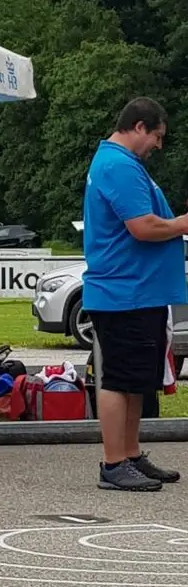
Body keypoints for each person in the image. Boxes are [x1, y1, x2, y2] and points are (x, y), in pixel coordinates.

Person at [83, 96, 188, 491]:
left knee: (137, 381)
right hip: (124, 290)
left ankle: (130, 454)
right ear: (139, 126)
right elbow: (142, 227)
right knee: (119, 379)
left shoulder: (120, 164)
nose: (157, 145)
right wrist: (182, 223)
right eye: (157, 136)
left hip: (138, 290)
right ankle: (113, 463)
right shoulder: (119, 166)